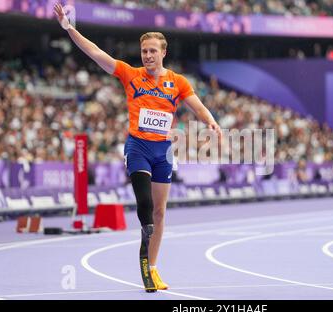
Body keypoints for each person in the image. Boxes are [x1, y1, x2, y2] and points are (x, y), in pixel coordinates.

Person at [54, 3, 222, 292]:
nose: (147, 55)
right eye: (144, 51)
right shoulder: (130, 75)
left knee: (159, 211)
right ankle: (144, 260)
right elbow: (96, 53)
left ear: (163, 52)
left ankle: (153, 267)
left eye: (152, 51)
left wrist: (210, 121)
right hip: (138, 148)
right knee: (145, 204)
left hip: (163, 152)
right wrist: (70, 29)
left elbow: (197, 106)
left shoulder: (177, 82)